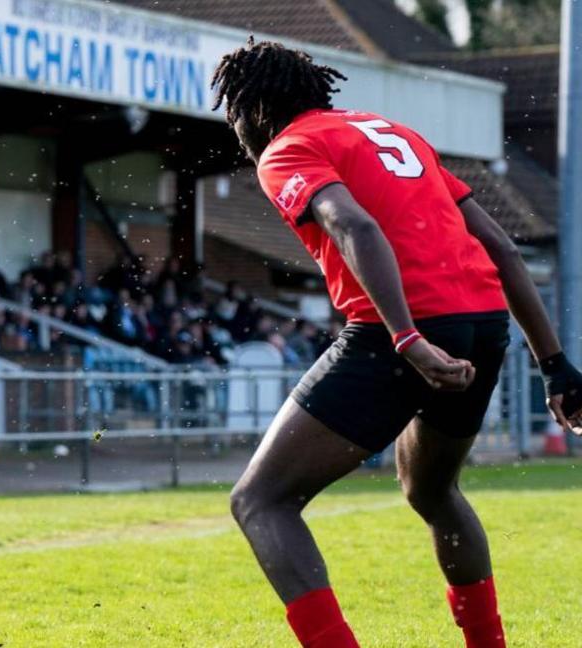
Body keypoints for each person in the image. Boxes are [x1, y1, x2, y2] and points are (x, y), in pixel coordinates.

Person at [211, 38, 582, 648]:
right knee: (432, 489)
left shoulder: (287, 148)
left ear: (254, 109)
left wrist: (407, 337)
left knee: (260, 502)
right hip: (484, 322)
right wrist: (555, 364)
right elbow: (503, 248)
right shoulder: (397, 134)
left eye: (234, 116)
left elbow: (352, 223)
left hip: (402, 331)